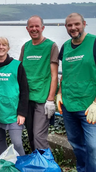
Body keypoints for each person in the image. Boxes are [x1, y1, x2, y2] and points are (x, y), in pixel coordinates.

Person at [57, 13, 96, 172]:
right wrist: (60, 93)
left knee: (93, 147)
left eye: (76, 24)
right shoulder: (65, 47)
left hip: (90, 107)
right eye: (69, 25)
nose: (73, 28)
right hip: (69, 106)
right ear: (66, 27)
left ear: (84, 24)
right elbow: (66, 74)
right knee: (77, 145)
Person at [0, 37, 29, 156]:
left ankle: (22, 167)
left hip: (13, 111)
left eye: (4, 45)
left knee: (16, 143)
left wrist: (22, 113)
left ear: (8, 48)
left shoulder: (17, 66)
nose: (1, 47)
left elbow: (24, 90)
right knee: (1, 141)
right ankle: (4, 165)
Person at [19, 15, 59, 151]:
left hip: (42, 98)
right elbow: (20, 72)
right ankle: (36, 163)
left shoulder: (51, 46)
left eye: (37, 26)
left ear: (42, 28)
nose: (34, 29)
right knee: (30, 135)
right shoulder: (26, 47)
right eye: (31, 26)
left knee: (39, 136)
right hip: (27, 98)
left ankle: (46, 165)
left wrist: (51, 99)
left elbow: (54, 75)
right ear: (27, 29)